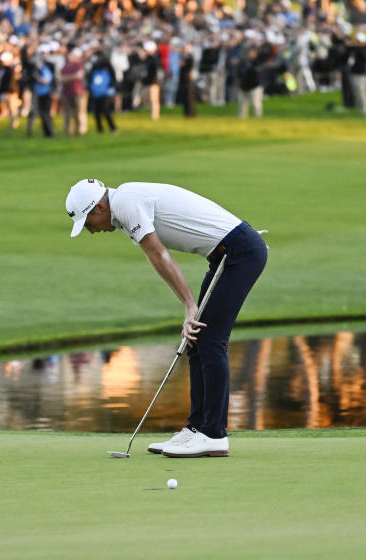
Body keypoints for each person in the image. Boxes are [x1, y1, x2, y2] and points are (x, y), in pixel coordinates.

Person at [65, 179, 267, 458]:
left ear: (99, 207)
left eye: (88, 223)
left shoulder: (125, 202)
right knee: (197, 340)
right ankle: (197, 428)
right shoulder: (122, 207)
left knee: (210, 340)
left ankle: (214, 435)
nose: (91, 230)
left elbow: (159, 255)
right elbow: (158, 257)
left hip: (240, 252)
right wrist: (190, 307)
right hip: (224, 256)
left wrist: (189, 306)